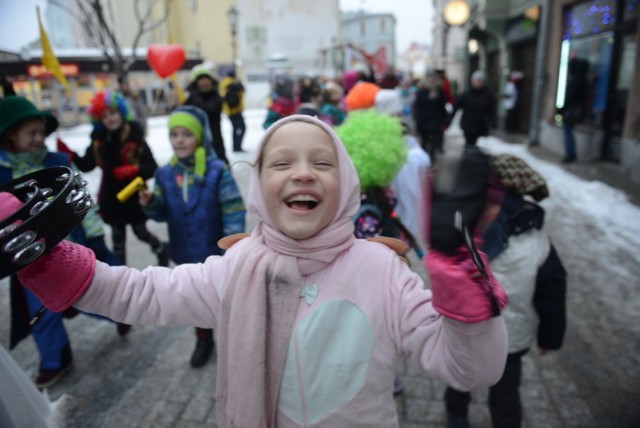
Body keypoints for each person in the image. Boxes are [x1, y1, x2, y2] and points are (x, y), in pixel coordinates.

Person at [8, 114, 508, 427]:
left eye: (323, 163)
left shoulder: (383, 270)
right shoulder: (238, 267)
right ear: (258, 188)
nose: (303, 173)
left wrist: (463, 284)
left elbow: (471, 370)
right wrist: (49, 258)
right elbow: (145, 292)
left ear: (349, 184)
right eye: (281, 163)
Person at [0, 96, 129, 389]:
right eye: (30, 133)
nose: (38, 139)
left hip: (69, 249)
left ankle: (120, 313)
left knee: (86, 294)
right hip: (27, 260)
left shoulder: (57, 164)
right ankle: (55, 359)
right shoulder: (3, 174)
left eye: (40, 133)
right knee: (39, 313)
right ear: (10, 135)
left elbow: (81, 201)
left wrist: (95, 235)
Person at [444, 155, 567, 428]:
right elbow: (553, 293)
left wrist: (550, 336)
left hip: (490, 336)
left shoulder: (531, 244)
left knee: (486, 387)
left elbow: (553, 292)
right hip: (488, 336)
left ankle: (475, 417)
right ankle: (462, 415)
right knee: (478, 384)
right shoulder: (463, 234)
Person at [138, 105, 246, 368]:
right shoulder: (165, 174)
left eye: (186, 134)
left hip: (216, 253)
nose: (180, 140)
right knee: (195, 303)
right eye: (175, 135)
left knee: (224, 302)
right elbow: (162, 213)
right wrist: (151, 203)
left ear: (199, 137)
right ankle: (203, 338)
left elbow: (233, 210)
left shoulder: (216, 170)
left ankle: (237, 344)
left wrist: (230, 250)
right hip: (185, 253)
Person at [57, 90, 168, 267]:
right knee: (118, 241)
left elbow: (152, 167)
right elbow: (87, 165)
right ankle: (122, 274)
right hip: (111, 197)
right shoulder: (98, 140)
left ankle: (161, 248)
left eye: (113, 113)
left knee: (141, 232)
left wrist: (132, 169)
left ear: (121, 112)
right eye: (105, 115)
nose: (110, 118)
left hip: (134, 195)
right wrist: (70, 154)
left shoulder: (135, 136)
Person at [185, 63, 228, 164]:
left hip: (215, 139)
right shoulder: (190, 98)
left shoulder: (216, 96)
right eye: (201, 79)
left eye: (206, 79)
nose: (204, 82)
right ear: (196, 82)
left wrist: (194, 94)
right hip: (195, 139)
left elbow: (208, 110)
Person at [451, 70, 496, 147]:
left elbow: (491, 110)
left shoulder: (488, 95)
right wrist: (449, 119)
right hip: (468, 125)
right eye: (476, 80)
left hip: (481, 125)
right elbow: (456, 107)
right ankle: (468, 157)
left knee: (478, 146)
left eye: (480, 81)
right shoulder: (466, 94)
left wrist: (492, 122)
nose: (478, 83)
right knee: (469, 144)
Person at [412, 70, 449, 160]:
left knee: (433, 144)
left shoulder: (439, 91)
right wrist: (418, 119)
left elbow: (442, 107)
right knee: (424, 143)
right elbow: (417, 106)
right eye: (429, 77)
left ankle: (431, 162)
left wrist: (444, 121)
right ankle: (423, 161)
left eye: (433, 78)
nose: (431, 79)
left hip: (435, 122)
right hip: (424, 121)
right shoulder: (422, 91)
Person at [560, 55, 590, 163]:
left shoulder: (576, 80)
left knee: (568, 131)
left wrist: (561, 109)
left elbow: (570, 97)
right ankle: (571, 153)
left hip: (571, 111)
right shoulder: (584, 80)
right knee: (569, 131)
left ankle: (570, 154)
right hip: (577, 110)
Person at [220, 70, 246, 153]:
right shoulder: (234, 83)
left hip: (229, 110)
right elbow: (242, 93)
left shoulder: (223, 83)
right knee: (241, 128)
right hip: (235, 110)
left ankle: (236, 146)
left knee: (236, 128)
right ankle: (237, 146)